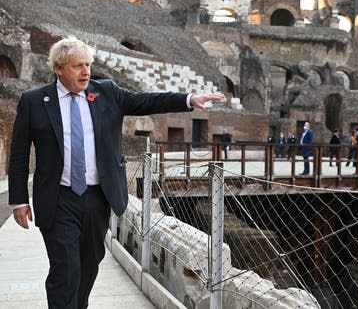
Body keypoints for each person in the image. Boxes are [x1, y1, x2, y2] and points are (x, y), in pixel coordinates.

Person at [7, 36, 226, 309]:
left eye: (88, 65)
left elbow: (146, 102)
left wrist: (189, 99)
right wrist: (18, 199)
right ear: (59, 68)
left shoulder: (105, 93)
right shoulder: (34, 100)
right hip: (58, 199)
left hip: (97, 197)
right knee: (65, 270)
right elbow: (18, 154)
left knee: (88, 266)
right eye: (78, 66)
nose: (86, 72)